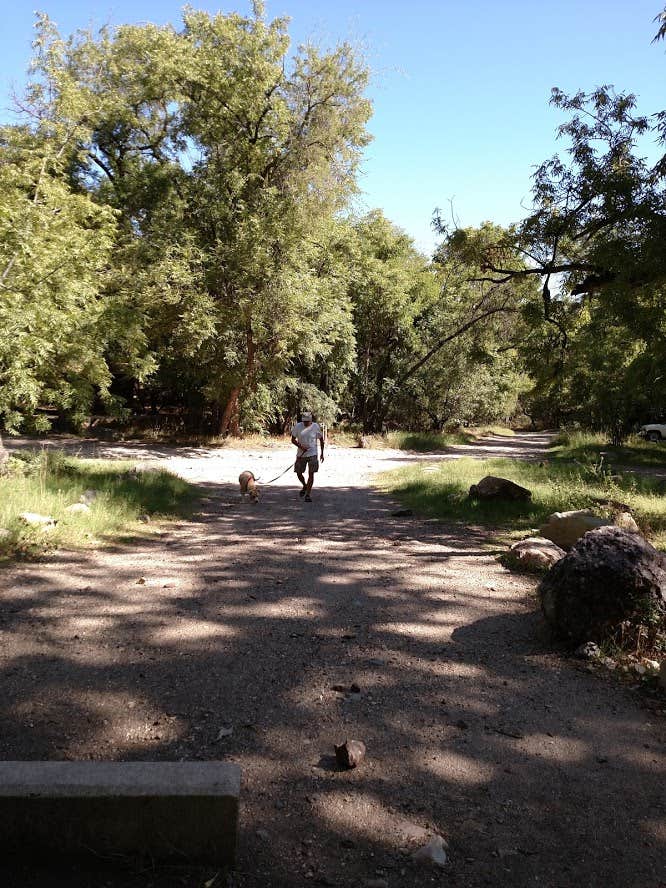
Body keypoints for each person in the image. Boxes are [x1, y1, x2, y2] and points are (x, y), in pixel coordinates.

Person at [290, 411, 325, 502]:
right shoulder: (298, 426)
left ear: (311, 420)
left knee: (311, 473)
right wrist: (301, 447)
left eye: (307, 422)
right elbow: (293, 440)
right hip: (301, 454)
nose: (305, 423)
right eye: (304, 421)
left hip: (313, 454)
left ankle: (308, 494)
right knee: (298, 472)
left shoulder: (315, 426)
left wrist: (322, 453)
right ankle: (305, 486)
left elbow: (321, 439)